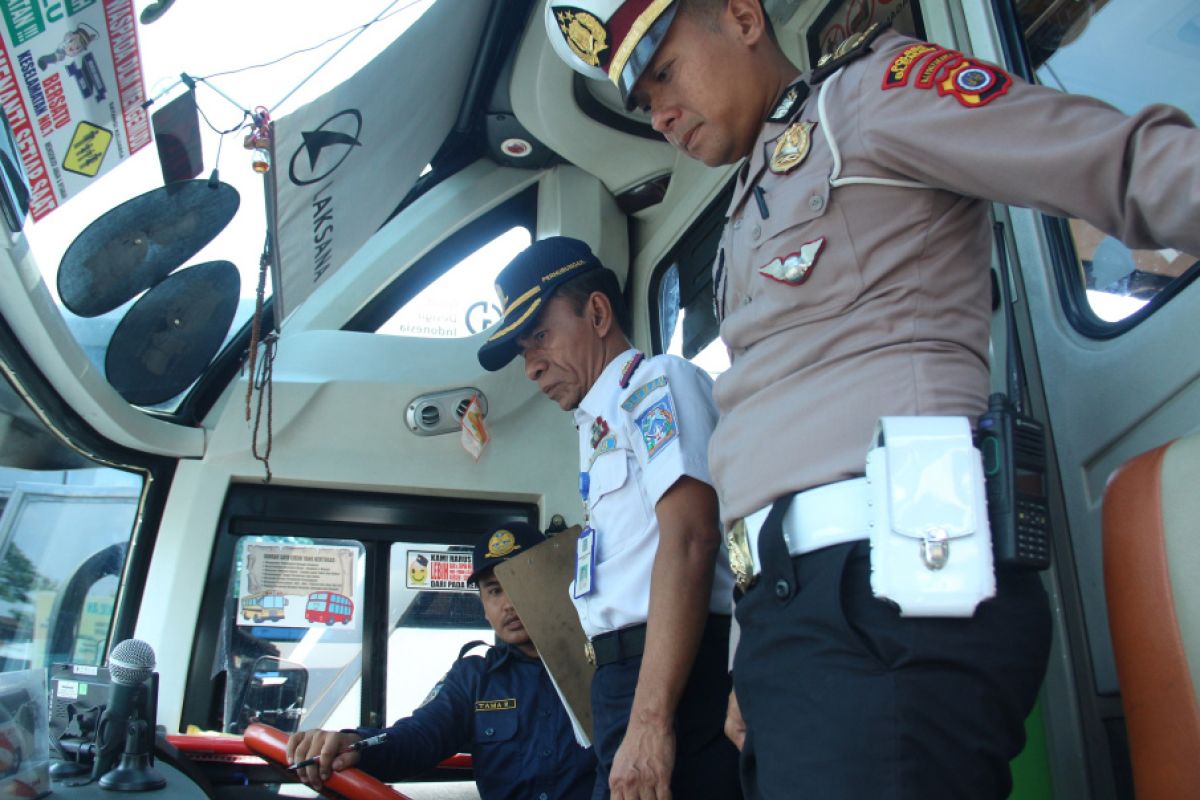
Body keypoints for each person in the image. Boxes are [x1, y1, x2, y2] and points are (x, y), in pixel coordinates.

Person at [543, 1, 1200, 798]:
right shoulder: (745, 214)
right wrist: (753, 643)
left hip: (888, 588)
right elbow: (767, 442)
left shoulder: (868, 99)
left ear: (745, 17)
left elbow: (1113, 160)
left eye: (666, 72)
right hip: (796, 622)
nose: (662, 112)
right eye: (644, 101)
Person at [477, 236, 741, 800]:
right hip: (627, 685)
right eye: (524, 349)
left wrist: (650, 723)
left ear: (597, 313)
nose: (530, 368)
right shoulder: (600, 428)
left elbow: (692, 539)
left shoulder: (655, 386)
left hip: (675, 683)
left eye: (540, 337)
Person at [285, 522, 596, 800]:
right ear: (484, 607)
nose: (508, 604)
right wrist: (353, 744)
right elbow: (419, 737)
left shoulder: (602, 664)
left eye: (518, 585)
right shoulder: (475, 678)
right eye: (494, 591)